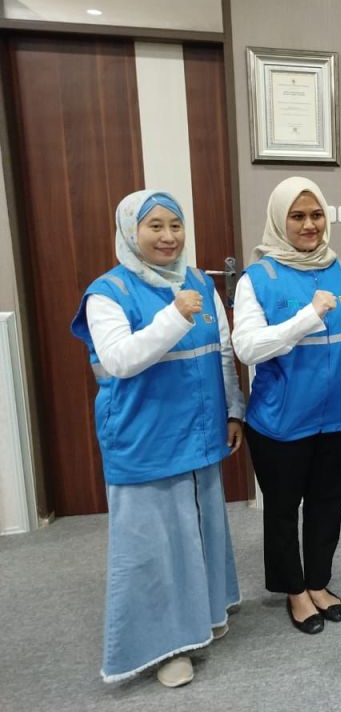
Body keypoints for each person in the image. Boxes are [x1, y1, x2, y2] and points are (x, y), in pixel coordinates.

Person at [71, 190, 245, 687]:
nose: (168, 236)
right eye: (155, 226)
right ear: (131, 232)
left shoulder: (199, 281)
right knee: (152, 547)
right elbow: (120, 360)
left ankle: (205, 616)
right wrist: (175, 316)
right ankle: (161, 647)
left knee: (201, 531)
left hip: (200, 429)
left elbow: (222, 351)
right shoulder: (108, 293)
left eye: (175, 225)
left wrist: (233, 409)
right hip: (144, 436)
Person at [232, 177, 341, 634]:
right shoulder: (258, 278)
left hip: (339, 416)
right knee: (284, 510)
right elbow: (247, 347)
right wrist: (307, 317)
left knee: (327, 504)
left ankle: (318, 582)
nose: (310, 225)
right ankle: (294, 590)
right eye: (298, 216)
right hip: (280, 421)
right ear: (279, 220)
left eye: (316, 215)